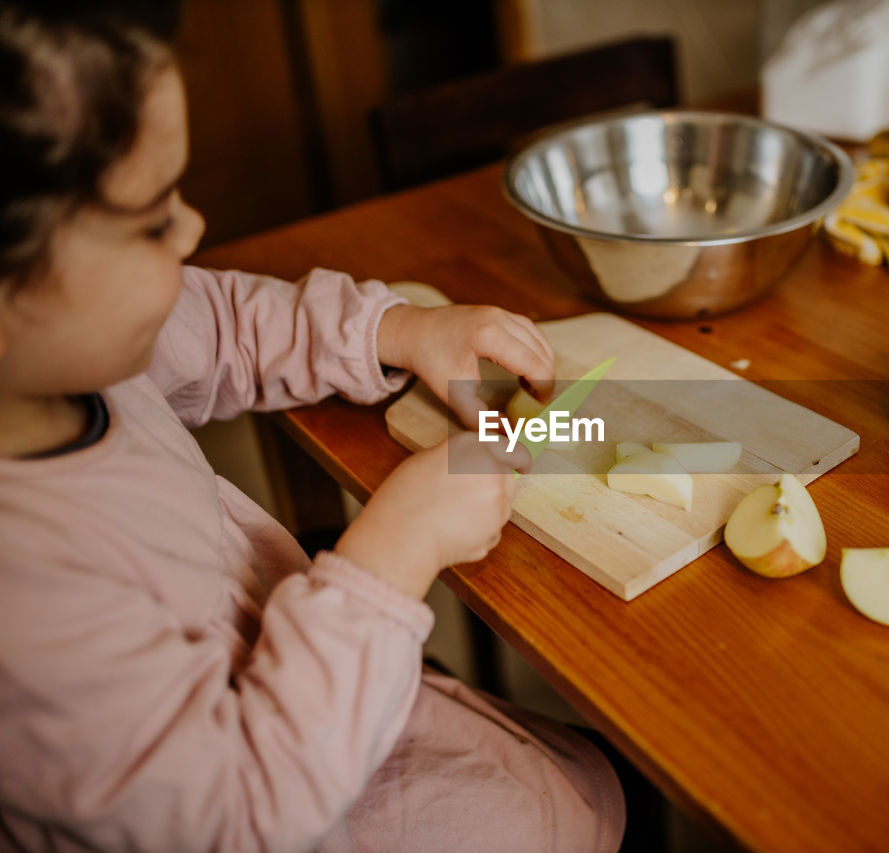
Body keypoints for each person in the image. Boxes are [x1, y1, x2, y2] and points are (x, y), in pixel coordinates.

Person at [0, 1, 630, 850]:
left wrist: (398, 330)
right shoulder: (25, 605)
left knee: (587, 773)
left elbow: (218, 320)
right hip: (307, 797)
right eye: (152, 220)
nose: (193, 230)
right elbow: (243, 811)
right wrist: (396, 545)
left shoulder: (65, 361)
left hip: (336, 704)